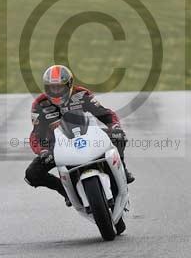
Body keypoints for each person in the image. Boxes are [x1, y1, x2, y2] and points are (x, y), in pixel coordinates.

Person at [24, 64, 134, 203]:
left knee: (119, 137)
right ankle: (64, 190)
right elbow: (36, 134)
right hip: (57, 145)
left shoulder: (81, 94)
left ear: (69, 85)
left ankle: (121, 169)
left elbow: (105, 114)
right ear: (46, 87)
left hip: (88, 135)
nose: (56, 91)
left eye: (60, 87)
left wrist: (115, 127)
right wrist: (43, 151)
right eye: (52, 87)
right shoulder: (39, 104)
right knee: (32, 175)